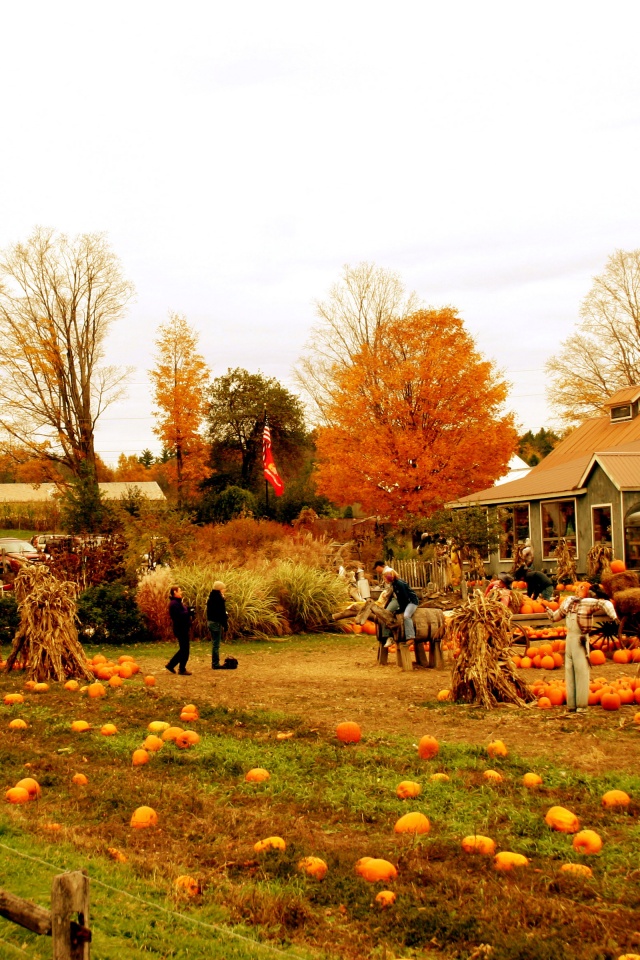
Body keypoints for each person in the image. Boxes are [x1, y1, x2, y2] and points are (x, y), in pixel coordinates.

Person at [547, 582, 618, 714]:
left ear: (587, 591)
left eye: (582, 588)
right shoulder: (568, 601)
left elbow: (605, 603)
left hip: (581, 638)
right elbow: (556, 616)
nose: (578, 590)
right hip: (570, 639)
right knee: (569, 670)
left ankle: (581, 705)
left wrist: (613, 616)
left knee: (581, 671)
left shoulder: (588, 603)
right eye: (578, 587)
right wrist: (549, 611)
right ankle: (571, 705)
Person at [384, 569, 420, 644]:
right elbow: (397, 598)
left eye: (384, 578)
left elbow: (405, 598)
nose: (384, 580)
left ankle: (411, 637)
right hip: (406, 602)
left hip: (412, 602)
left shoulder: (399, 584)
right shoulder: (394, 584)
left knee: (406, 616)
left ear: (389, 577)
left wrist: (401, 609)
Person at [166, 586, 192, 676]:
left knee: (184, 649)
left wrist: (189, 610)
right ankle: (180, 668)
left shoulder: (178, 603)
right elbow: (179, 616)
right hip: (180, 629)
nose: (181, 592)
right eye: (180, 591)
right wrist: (188, 612)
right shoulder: (174, 604)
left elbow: (183, 612)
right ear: (175, 592)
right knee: (185, 650)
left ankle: (173, 665)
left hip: (183, 628)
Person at [206, 580, 228, 670]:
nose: (225, 590)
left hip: (210, 622)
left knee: (214, 643)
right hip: (216, 623)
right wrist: (225, 624)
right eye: (223, 588)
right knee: (216, 644)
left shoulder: (211, 598)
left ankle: (215, 663)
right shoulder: (219, 599)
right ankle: (215, 663)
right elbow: (221, 613)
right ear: (219, 589)